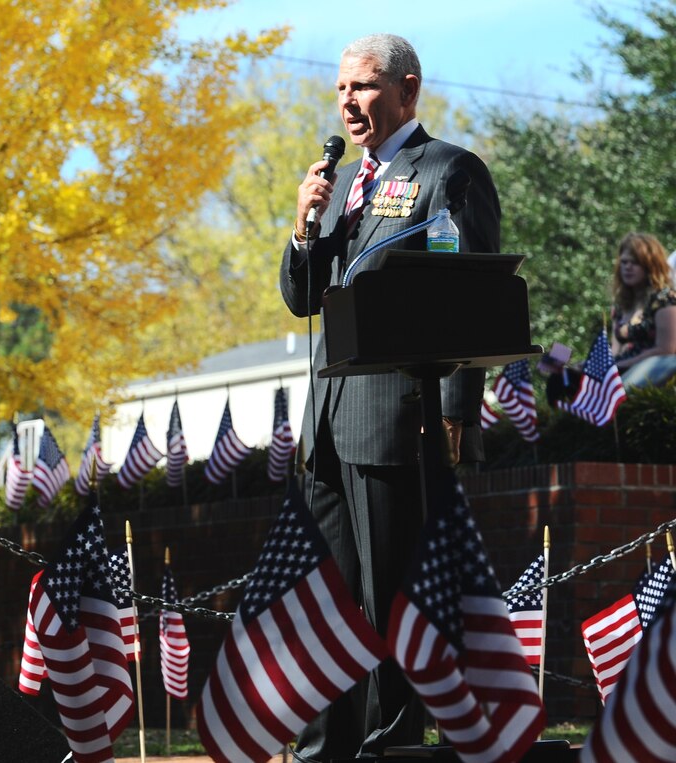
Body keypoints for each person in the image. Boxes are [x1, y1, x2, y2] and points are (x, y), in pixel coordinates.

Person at [279, 34, 499, 761]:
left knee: (389, 607)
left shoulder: (447, 171)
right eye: (342, 89)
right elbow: (301, 298)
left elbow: (472, 289)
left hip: (398, 422)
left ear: (408, 89)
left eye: (365, 87)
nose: (349, 101)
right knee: (326, 612)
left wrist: (458, 406)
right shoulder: (340, 185)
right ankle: (323, 750)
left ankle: (389, 746)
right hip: (330, 431)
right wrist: (303, 227)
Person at [610, 232, 676, 387]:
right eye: (624, 262)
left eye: (635, 263)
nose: (628, 268)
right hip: (620, 371)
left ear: (650, 266)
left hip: (651, 374)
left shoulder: (665, 300)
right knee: (563, 379)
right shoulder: (621, 304)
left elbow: (666, 350)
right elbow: (616, 351)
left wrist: (621, 365)